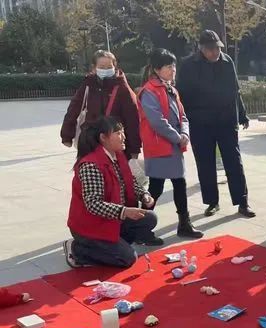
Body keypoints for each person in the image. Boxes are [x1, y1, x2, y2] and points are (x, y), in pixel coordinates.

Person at [176, 30, 254, 218]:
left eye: (217, 48)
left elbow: (235, 91)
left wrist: (242, 115)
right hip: (200, 123)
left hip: (226, 121)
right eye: (210, 49)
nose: (215, 52)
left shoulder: (227, 62)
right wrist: (183, 122)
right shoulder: (188, 65)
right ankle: (212, 202)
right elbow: (181, 96)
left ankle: (242, 201)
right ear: (201, 48)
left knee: (234, 162)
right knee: (205, 163)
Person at [63, 117, 160, 269]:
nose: (124, 137)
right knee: (128, 258)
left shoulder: (117, 156)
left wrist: (144, 195)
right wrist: (124, 211)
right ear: (103, 138)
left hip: (111, 219)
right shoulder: (91, 165)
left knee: (149, 218)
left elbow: (130, 182)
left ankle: (110, 246)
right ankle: (77, 249)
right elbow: (93, 204)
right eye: (118, 133)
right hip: (90, 226)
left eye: (123, 132)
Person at [138, 48, 203, 239]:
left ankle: (184, 224)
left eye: (174, 66)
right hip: (159, 146)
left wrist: (184, 133)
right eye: (168, 66)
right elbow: (157, 122)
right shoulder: (149, 91)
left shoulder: (171, 89)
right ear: (156, 69)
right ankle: (141, 227)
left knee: (179, 183)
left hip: (173, 146)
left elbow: (183, 116)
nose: (173, 69)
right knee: (156, 187)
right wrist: (178, 137)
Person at [61, 50, 141, 159]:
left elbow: (132, 118)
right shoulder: (88, 84)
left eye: (109, 67)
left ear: (115, 67)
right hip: (90, 141)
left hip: (114, 142)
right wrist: (67, 135)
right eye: (102, 67)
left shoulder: (122, 87)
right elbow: (73, 109)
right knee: (89, 167)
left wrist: (134, 149)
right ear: (94, 68)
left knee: (113, 169)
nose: (106, 70)